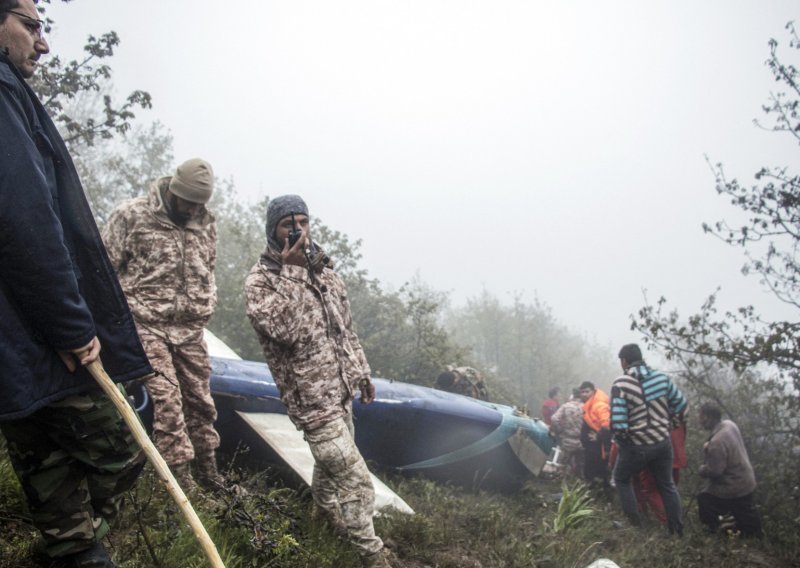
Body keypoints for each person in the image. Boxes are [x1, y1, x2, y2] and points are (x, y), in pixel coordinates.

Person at [0, 2, 153, 565]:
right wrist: (71, 324)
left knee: (45, 456)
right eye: (31, 26)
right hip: (37, 334)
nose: (42, 43)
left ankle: (69, 547)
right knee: (125, 442)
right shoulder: (2, 93)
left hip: (18, 343)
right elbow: (24, 221)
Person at [244, 195, 391, 568]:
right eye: (287, 224)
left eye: (303, 221)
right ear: (273, 231)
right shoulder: (261, 281)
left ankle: (324, 518)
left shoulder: (325, 272)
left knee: (330, 466)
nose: (297, 229)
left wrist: (361, 371)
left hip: (340, 390)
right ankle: (374, 556)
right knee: (356, 481)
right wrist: (291, 272)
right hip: (310, 400)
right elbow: (284, 330)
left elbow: (344, 330)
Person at [102, 158, 224, 492]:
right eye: (188, 201)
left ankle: (209, 475)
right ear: (173, 190)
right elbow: (103, 270)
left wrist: (206, 302)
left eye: (200, 203)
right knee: (167, 400)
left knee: (201, 402)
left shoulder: (206, 224)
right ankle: (180, 485)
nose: (192, 209)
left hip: (189, 331)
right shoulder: (132, 216)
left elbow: (207, 269)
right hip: (145, 324)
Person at [610, 343, 687, 536]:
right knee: (666, 485)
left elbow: (619, 423)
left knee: (621, 478)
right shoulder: (662, 379)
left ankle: (635, 525)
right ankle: (677, 529)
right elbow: (682, 405)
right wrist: (670, 425)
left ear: (624, 361)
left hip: (636, 446)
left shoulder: (621, 384)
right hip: (662, 442)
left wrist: (626, 443)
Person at [697, 402, 763, 537]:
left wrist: (702, 470)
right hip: (747, 479)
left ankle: (715, 532)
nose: (700, 421)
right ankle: (744, 529)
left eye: (702, 417)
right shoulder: (729, 425)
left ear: (709, 417)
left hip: (734, 485)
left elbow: (715, 472)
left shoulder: (717, 442)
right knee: (746, 514)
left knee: (705, 500)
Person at [578, 380, 611, 487]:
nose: (584, 394)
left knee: (598, 472)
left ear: (593, 391)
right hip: (591, 447)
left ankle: (602, 496)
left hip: (598, 447)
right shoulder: (589, 405)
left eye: (587, 392)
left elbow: (606, 425)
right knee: (591, 471)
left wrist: (598, 436)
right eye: (582, 392)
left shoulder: (599, 405)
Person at [549, 388, 584, 477]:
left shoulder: (566, 406)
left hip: (567, 440)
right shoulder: (586, 406)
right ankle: (578, 485)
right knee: (580, 465)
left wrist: (559, 430)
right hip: (581, 441)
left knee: (563, 465)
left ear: (573, 395)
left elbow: (554, 418)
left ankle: (562, 485)